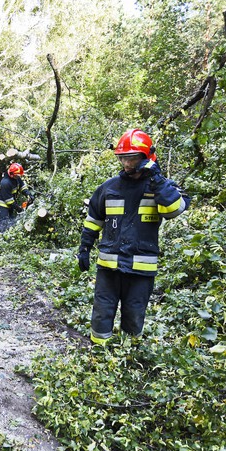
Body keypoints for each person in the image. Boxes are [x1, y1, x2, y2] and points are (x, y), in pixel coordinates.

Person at [78, 129, 190, 345]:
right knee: (102, 313)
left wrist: (157, 180)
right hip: (109, 267)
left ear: (147, 157)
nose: (127, 165)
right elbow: (93, 220)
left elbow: (174, 210)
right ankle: (99, 354)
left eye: (132, 158)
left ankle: (128, 358)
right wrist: (85, 248)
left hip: (141, 269)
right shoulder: (108, 188)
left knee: (134, 315)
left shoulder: (160, 188)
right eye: (123, 158)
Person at [0, 162, 34, 235]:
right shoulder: (5, 183)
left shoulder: (16, 178)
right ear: (12, 174)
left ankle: (8, 237)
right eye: (17, 175)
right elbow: (9, 201)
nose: (18, 177)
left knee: (11, 220)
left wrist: (28, 194)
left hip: (11, 201)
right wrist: (19, 208)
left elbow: (22, 186)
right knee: (3, 221)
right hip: (3, 204)